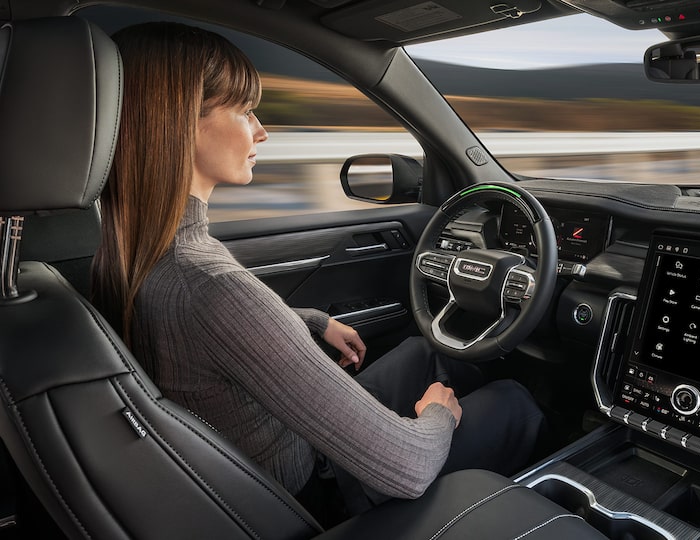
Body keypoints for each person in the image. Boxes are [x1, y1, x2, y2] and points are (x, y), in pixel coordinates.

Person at [90, 21, 544, 522]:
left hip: (269, 456)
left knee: (424, 352)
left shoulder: (135, 255)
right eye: (243, 110)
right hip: (314, 496)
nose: (261, 130)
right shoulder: (208, 284)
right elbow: (408, 467)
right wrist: (438, 415)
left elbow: (209, 339)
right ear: (179, 125)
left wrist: (311, 321)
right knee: (513, 401)